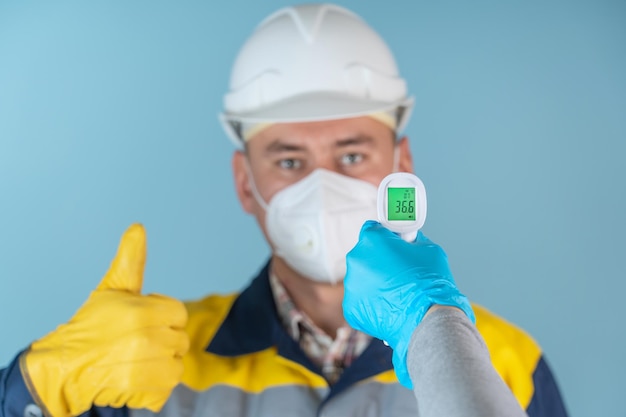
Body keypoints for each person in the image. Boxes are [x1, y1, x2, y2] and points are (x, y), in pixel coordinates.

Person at [0, 4, 568, 417]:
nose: (323, 188)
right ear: (246, 184)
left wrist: (438, 339)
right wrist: (27, 392)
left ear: (403, 165)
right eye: (290, 162)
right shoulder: (148, 361)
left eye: (351, 154)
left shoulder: (508, 362)